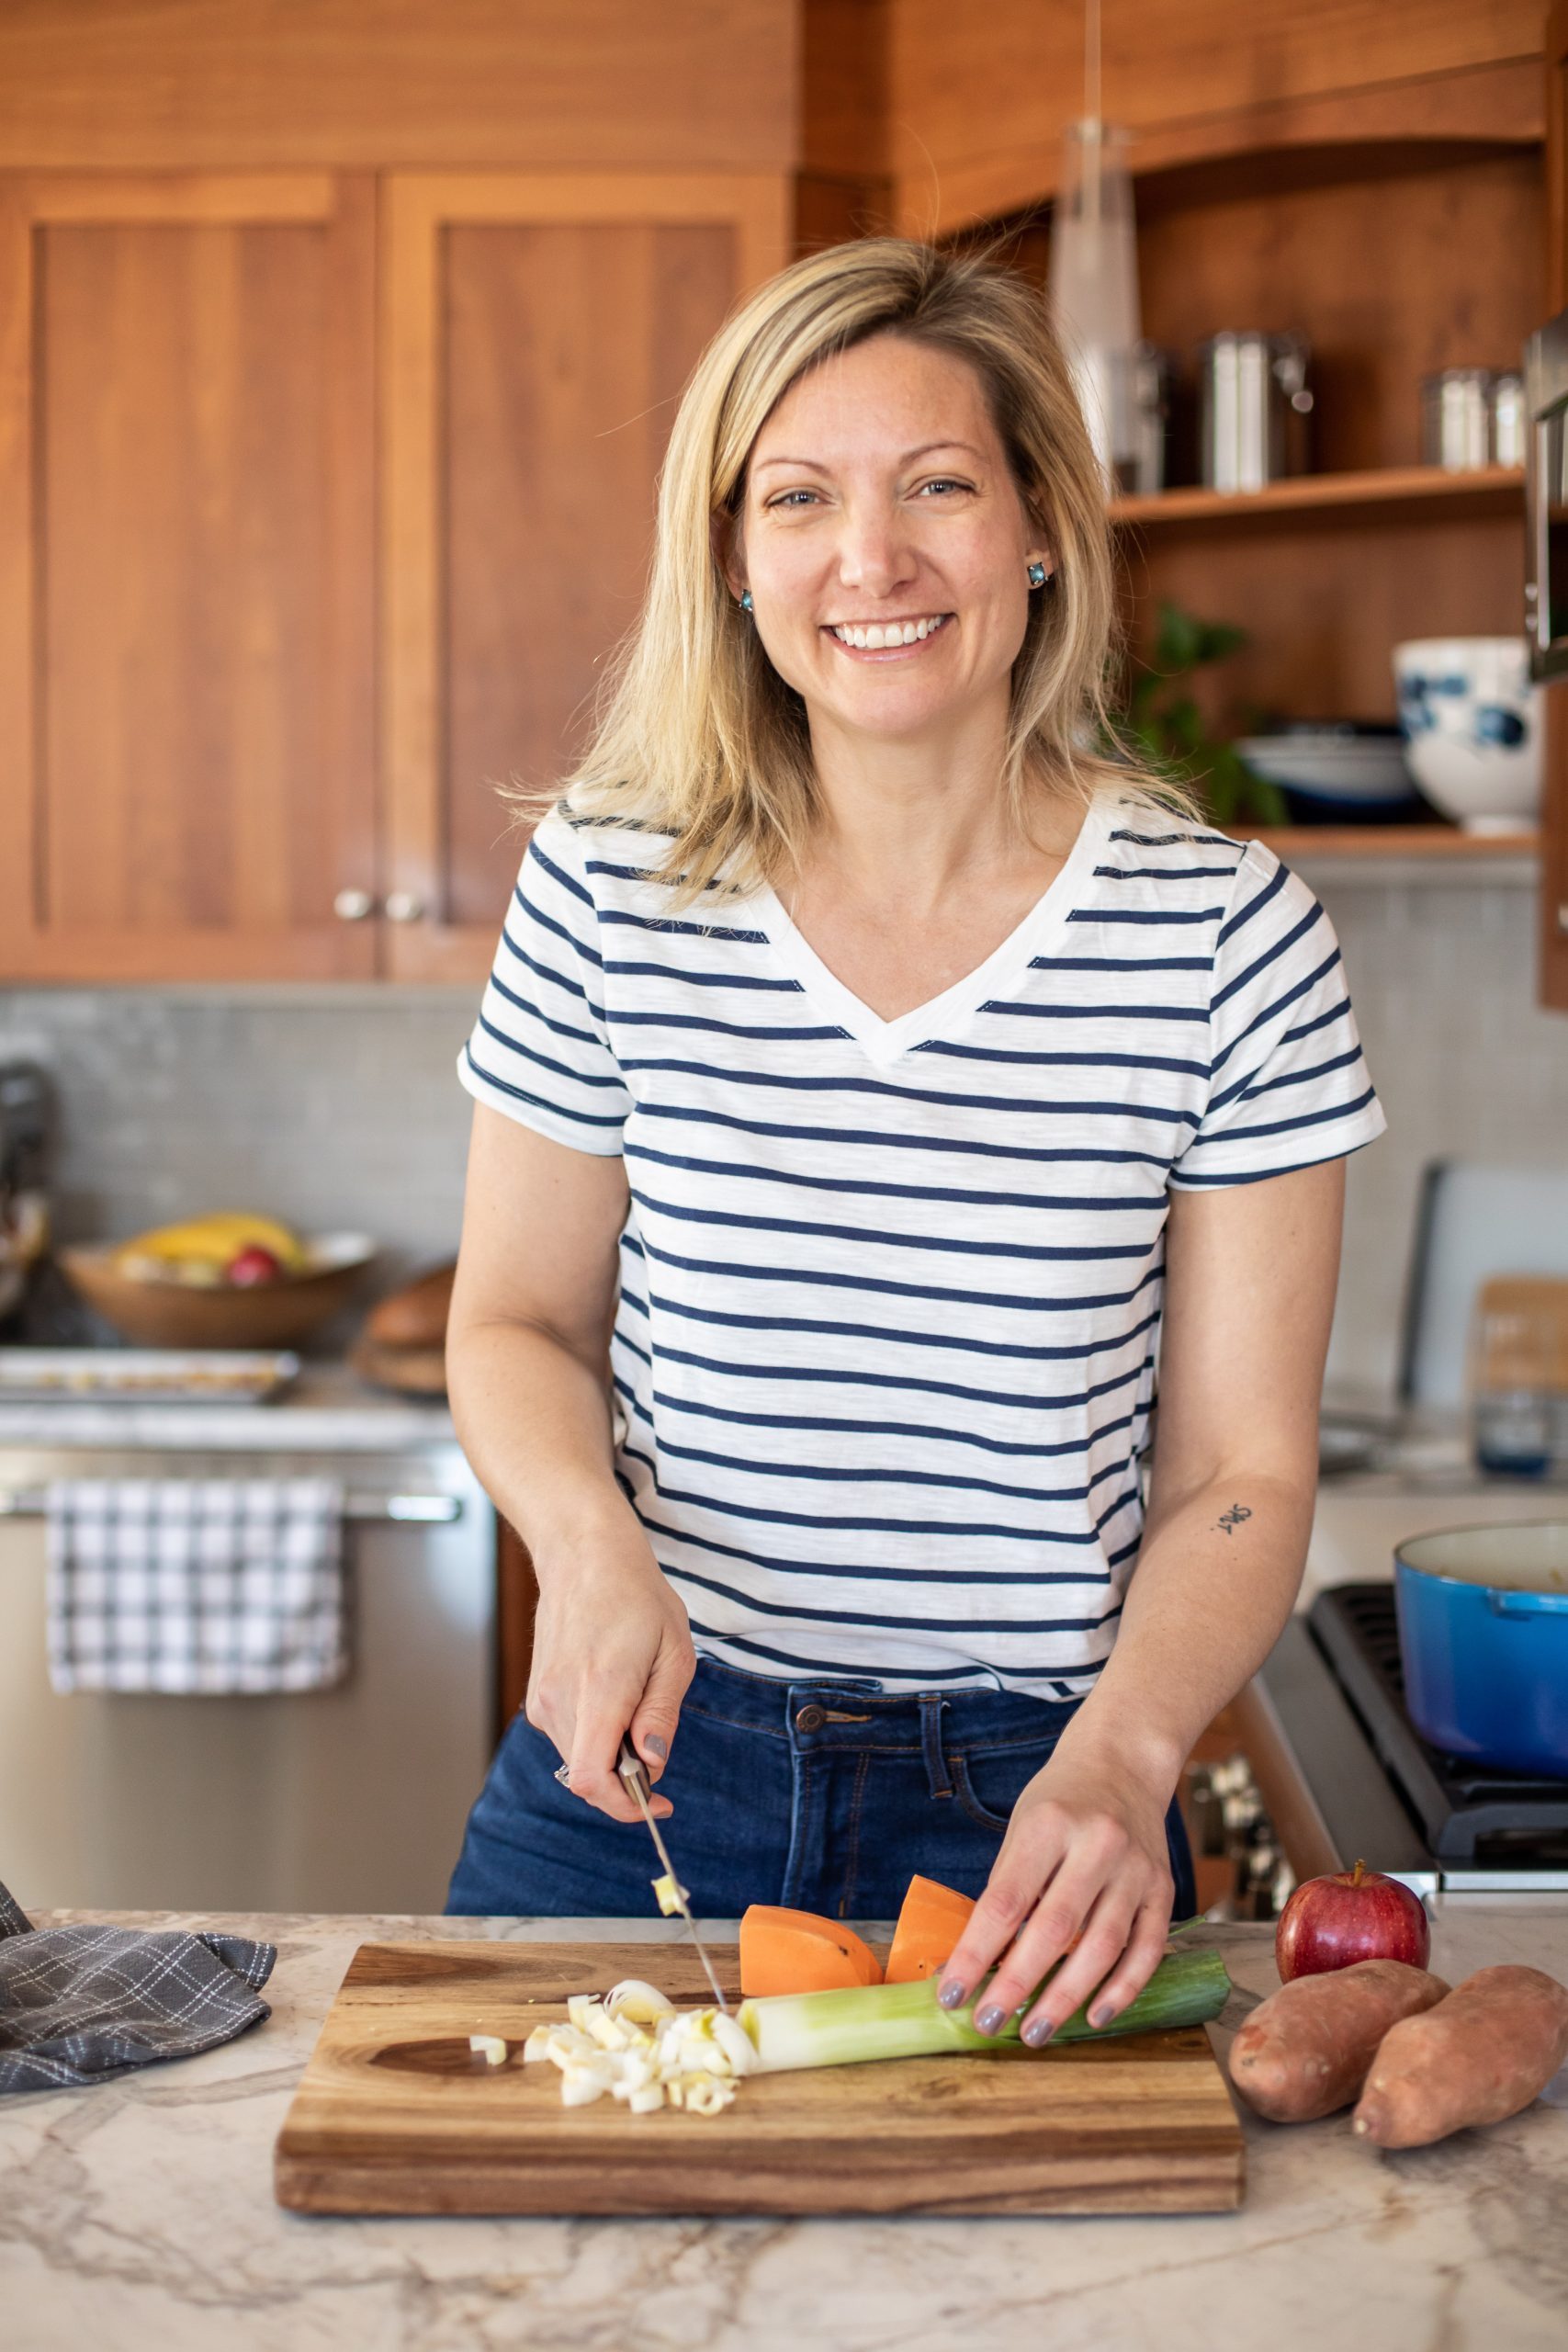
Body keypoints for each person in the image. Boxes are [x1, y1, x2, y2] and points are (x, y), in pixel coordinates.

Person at [443, 237, 1386, 2050]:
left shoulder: (1226, 939)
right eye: (796, 497)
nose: (867, 559)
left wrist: (1126, 1752)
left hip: (1039, 1803)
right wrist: (586, 1543)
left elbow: (1241, 1467)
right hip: (647, 1765)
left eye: (935, 485)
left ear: (1035, 524)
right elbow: (515, 1326)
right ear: (730, 555)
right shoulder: (606, 887)